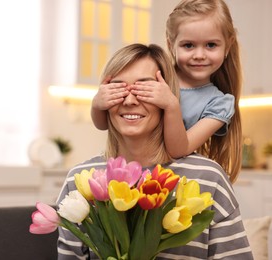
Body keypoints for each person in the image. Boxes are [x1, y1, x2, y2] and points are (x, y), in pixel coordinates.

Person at [57, 43, 253, 259]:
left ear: (169, 98)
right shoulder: (81, 180)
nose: (130, 101)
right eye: (118, 89)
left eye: (146, 89)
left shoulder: (209, 179)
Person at [90, 0, 242, 183]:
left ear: (228, 44)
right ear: (171, 45)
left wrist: (171, 105)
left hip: (175, 176)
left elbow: (178, 150)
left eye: (211, 45)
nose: (199, 55)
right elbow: (103, 124)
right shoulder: (155, 74)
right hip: (131, 169)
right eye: (188, 45)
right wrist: (97, 104)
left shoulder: (220, 104)